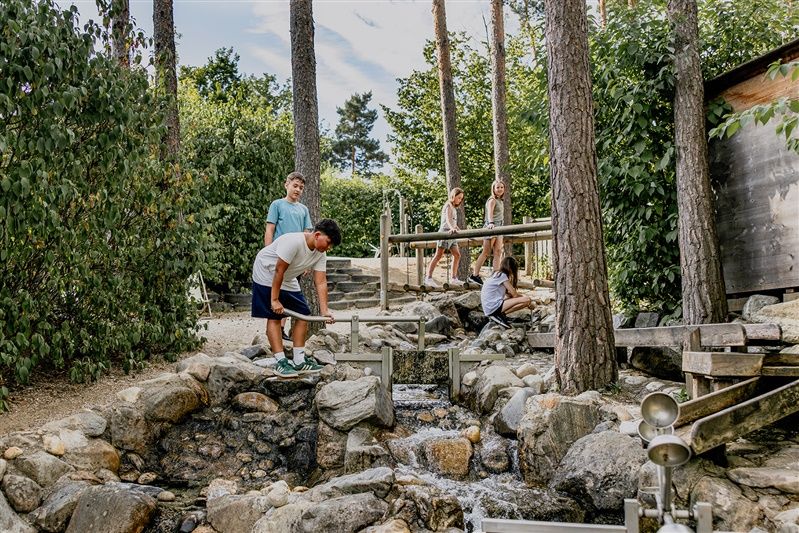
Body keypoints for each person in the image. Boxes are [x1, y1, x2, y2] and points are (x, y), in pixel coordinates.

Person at [252, 219, 342, 377]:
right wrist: (274, 300)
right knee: (274, 315)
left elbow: (320, 282)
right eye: (328, 243)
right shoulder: (293, 242)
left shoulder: (320, 254)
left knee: (303, 314)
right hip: (266, 271)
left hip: (287, 277)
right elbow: (279, 270)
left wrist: (325, 311)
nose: (328, 247)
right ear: (317, 235)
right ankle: (280, 361)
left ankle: (299, 360)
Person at [264, 171, 313, 342]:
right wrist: (267, 252)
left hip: (297, 259)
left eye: (301, 187)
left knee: (290, 292)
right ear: (286, 185)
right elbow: (270, 229)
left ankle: (283, 328)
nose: (298, 190)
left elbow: (307, 234)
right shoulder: (277, 205)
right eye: (295, 186)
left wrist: (307, 261)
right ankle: (273, 327)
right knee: (276, 290)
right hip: (279, 256)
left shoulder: (304, 210)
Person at [424, 188, 465, 288]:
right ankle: (428, 277)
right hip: (445, 233)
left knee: (457, 255)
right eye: (459, 198)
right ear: (453, 196)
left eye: (461, 199)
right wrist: (452, 228)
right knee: (438, 255)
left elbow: (453, 221)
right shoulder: (448, 205)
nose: (460, 200)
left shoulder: (454, 208)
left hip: (452, 234)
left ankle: (453, 278)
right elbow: (447, 218)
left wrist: (457, 228)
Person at [469, 180, 506, 285]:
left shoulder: (500, 200)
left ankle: (496, 274)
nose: (499, 189)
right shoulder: (492, 200)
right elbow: (489, 212)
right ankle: (475, 275)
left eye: (501, 187)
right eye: (497, 187)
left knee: (498, 251)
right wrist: (490, 223)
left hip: (500, 227)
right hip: (492, 227)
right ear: (493, 189)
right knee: (486, 252)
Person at [480, 256, 531, 329]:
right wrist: (525, 298)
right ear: (511, 268)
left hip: (489, 308)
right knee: (527, 300)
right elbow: (514, 294)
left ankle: (500, 315)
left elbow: (509, 295)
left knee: (525, 301)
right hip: (493, 307)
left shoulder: (496, 274)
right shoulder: (502, 276)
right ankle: (497, 315)